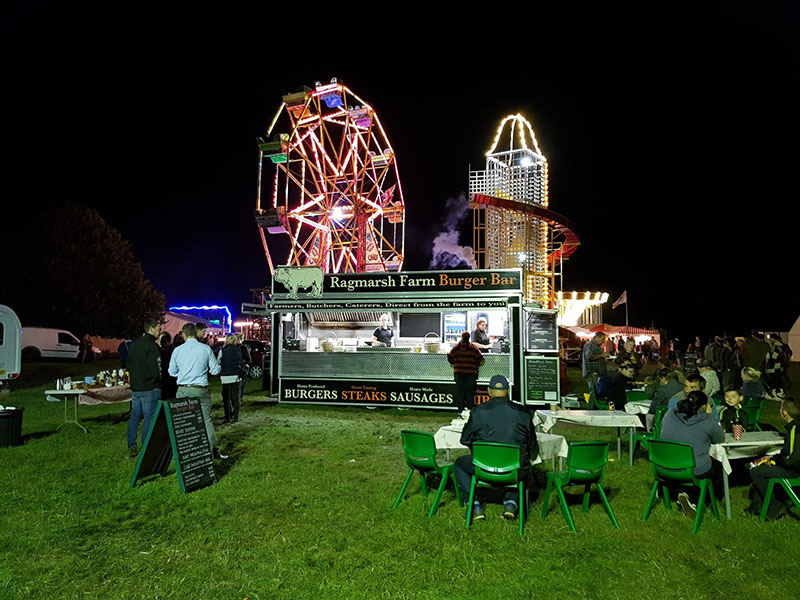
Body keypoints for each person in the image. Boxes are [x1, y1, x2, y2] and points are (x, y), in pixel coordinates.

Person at [455, 374, 537, 521]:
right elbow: (532, 446)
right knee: (523, 462)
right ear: (508, 391)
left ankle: (474, 505)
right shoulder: (523, 412)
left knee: (460, 464)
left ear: (488, 391)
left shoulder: (477, 412)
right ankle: (511, 503)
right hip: (514, 470)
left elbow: (465, 439)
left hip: (483, 468)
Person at [660, 390, 725, 519]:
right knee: (717, 467)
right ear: (703, 406)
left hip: (664, 465)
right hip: (692, 468)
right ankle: (695, 499)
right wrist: (710, 416)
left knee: (693, 463)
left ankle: (680, 492)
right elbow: (720, 439)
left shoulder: (670, 414)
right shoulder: (707, 420)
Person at [168, 323, 226, 459]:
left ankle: (187, 450)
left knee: (184, 421)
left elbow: (172, 371)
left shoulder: (178, 350)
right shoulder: (205, 349)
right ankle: (212, 449)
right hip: (200, 389)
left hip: (183, 389)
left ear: (183, 334)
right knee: (206, 420)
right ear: (196, 333)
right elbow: (216, 370)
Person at [746, 397, 800, 520]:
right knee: (760, 465)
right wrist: (773, 458)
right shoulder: (795, 428)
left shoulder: (794, 430)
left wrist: (776, 462)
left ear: (784, 413)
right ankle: (757, 504)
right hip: (793, 467)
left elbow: (792, 459)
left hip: (794, 472)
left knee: (756, 471)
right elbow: (788, 453)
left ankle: (773, 505)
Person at [126, 319, 163, 458]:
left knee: (135, 417)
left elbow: (128, 366)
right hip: (150, 387)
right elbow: (157, 369)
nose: (160, 332)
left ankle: (132, 445)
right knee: (149, 417)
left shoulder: (134, 345)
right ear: (152, 329)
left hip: (136, 387)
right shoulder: (152, 347)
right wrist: (158, 381)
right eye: (158, 329)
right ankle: (146, 446)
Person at [447, 331, 485, 415]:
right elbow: (481, 358)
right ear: (469, 338)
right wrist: (476, 364)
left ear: (461, 337)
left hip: (458, 373)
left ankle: (460, 411)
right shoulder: (473, 348)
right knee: (469, 393)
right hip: (471, 373)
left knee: (460, 392)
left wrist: (453, 363)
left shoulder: (456, 347)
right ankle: (470, 412)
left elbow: (449, 356)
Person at [217, 334, 242, 424]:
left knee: (226, 398)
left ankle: (227, 417)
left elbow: (218, 361)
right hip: (235, 376)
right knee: (236, 397)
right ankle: (236, 416)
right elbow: (241, 361)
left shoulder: (222, 350)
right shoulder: (238, 350)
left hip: (225, 377)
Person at [582, 332, 609, 403]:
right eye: (602, 339)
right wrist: (602, 355)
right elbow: (590, 356)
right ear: (597, 337)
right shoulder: (590, 345)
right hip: (592, 372)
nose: (603, 341)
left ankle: (594, 407)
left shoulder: (596, 345)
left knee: (596, 392)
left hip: (597, 373)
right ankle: (591, 409)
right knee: (593, 392)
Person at [159, 332, 178, 400]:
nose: (161, 343)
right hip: (166, 377)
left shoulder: (173, 351)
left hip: (171, 377)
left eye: (163, 341)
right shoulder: (162, 351)